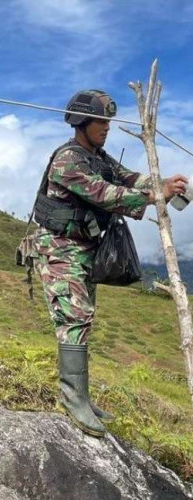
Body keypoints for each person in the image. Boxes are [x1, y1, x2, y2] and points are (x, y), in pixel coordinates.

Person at [30, 89, 187, 437]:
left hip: (83, 248)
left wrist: (163, 183)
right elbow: (105, 194)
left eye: (108, 121)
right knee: (74, 317)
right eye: (101, 121)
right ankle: (73, 400)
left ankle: (79, 395)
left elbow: (128, 178)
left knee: (83, 319)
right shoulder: (67, 160)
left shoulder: (98, 155)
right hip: (59, 248)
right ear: (81, 122)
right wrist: (153, 195)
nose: (107, 127)